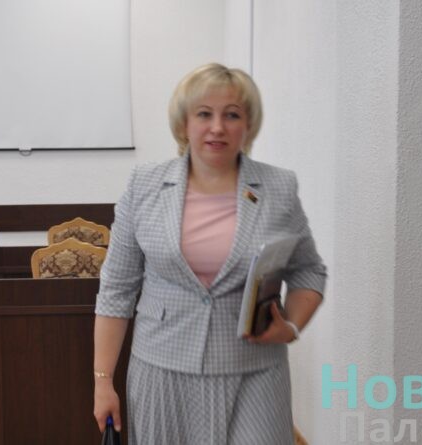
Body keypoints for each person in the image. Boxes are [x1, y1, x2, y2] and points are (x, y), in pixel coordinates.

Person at [92, 63, 327, 445]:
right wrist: (103, 381)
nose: (217, 127)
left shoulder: (279, 187)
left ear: (247, 125)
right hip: (162, 372)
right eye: (204, 114)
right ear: (184, 123)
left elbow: (309, 271)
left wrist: (293, 326)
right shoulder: (144, 185)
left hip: (255, 374)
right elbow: (116, 288)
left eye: (231, 115)